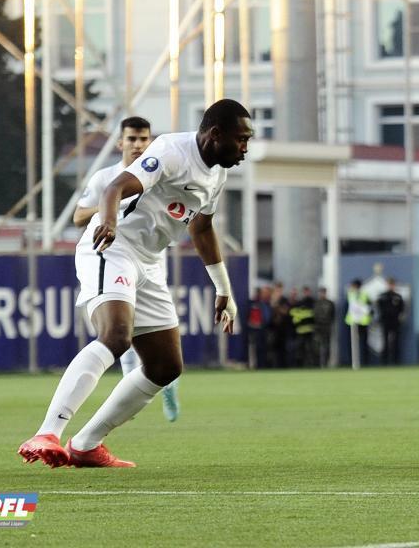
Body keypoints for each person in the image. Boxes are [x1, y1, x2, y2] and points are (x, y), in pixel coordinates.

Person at [18, 99, 253, 468]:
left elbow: (202, 229)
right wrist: (109, 222)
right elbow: (113, 188)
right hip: (112, 247)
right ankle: (48, 432)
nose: (245, 148)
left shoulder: (216, 175)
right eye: (241, 139)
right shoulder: (171, 152)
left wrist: (223, 288)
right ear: (215, 134)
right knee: (116, 336)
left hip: (149, 261)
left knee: (166, 366)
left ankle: (86, 445)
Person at [72, 116, 180, 423]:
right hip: (115, 255)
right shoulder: (106, 178)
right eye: (132, 139)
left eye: (144, 139)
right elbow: (78, 217)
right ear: (120, 143)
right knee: (124, 331)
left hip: (151, 261)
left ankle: (166, 385)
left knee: (158, 333)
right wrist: (113, 202)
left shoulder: (158, 172)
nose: (138, 144)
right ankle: (132, 388)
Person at [376, 278, 405, 365]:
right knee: (385, 341)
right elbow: (379, 308)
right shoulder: (382, 296)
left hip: (395, 321)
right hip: (385, 321)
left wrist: (398, 317)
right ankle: (384, 361)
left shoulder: (398, 296)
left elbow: (401, 309)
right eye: (389, 284)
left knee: (396, 341)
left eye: (392, 284)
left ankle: (396, 360)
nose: (391, 286)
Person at [345, 279, 372, 367]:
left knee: (364, 343)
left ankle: (365, 362)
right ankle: (352, 362)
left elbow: (370, 308)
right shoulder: (350, 295)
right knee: (352, 344)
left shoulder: (365, 295)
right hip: (352, 322)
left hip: (363, 322)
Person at [290, 286, 316, 367]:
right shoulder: (300, 303)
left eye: (307, 291)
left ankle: (311, 364)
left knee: (310, 349)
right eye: (305, 292)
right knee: (300, 349)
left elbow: (314, 315)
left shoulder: (313, 302)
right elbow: (293, 314)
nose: (306, 293)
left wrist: (302, 315)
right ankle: (300, 364)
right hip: (300, 330)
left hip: (310, 330)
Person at [312, 287, 336, 367]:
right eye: (321, 292)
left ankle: (325, 363)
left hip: (327, 327)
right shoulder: (316, 303)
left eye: (323, 292)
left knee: (326, 346)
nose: (322, 294)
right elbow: (314, 315)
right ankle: (317, 363)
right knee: (317, 346)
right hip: (318, 327)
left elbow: (333, 316)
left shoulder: (330, 303)